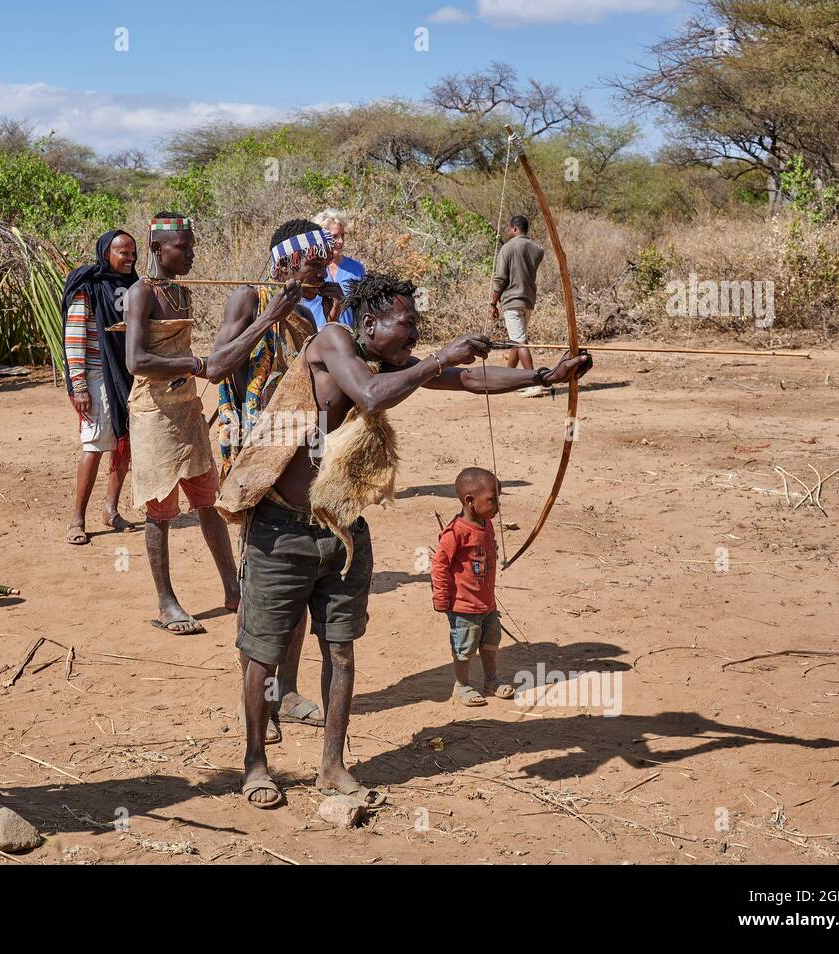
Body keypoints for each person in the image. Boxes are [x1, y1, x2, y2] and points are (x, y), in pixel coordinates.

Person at [217, 273, 593, 809]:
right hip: (280, 530)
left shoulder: (388, 360)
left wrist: (546, 374)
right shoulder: (334, 342)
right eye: (407, 323)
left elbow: (466, 379)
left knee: (340, 651)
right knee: (262, 654)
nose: (414, 334)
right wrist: (438, 357)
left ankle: (332, 766)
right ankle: (256, 763)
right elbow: (372, 394)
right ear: (370, 323)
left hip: (341, 528)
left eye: (416, 325)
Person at [208, 220, 338, 740]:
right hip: (254, 462)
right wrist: (269, 316)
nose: (323, 272)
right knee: (261, 592)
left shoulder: (307, 314)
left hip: (298, 462)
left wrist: (330, 316)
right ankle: (258, 703)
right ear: (285, 265)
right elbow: (217, 367)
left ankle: (286, 690)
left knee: (300, 586)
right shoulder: (248, 297)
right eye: (314, 265)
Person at [122, 213, 239, 635]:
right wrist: (193, 363)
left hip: (186, 407)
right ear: (156, 250)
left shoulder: (182, 294)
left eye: (192, 246)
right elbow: (135, 361)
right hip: (154, 414)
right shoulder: (140, 294)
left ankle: (233, 587)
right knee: (160, 508)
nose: (191, 254)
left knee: (206, 499)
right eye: (183, 248)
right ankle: (167, 601)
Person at [62, 229, 137, 545]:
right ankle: (77, 519)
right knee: (93, 445)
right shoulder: (88, 288)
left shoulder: (135, 286)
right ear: (106, 252)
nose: (130, 257)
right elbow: (75, 338)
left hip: (127, 375)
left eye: (133, 252)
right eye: (123, 252)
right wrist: (79, 385)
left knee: (124, 442)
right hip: (96, 376)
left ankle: (110, 510)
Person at [431, 467, 513, 706]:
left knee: (490, 642)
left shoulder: (486, 524)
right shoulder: (455, 533)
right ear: (470, 501)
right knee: (464, 647)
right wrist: (441, 597)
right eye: (492, 500)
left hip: (487, 603)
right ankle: (462, 685)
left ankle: (491, 680)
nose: (498, 506)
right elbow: (440, 565)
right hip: (463, 606)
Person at [489, 215, 547, 397]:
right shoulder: (537, 249)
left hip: (513, 300)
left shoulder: (508, 247)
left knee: (520, 341)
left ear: (514, 228)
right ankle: (509, 381)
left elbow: (500, 278)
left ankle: (534, 382)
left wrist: (492, 302)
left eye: (509, 229)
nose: (508, 231)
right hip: (528, 300)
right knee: (517, 339)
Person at [313, 208, 366, 327]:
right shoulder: (310, 270)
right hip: (314, 339)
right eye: (335, 236)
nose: (340, 241)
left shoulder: (356, 269)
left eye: (342, 235)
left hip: (347, 339)